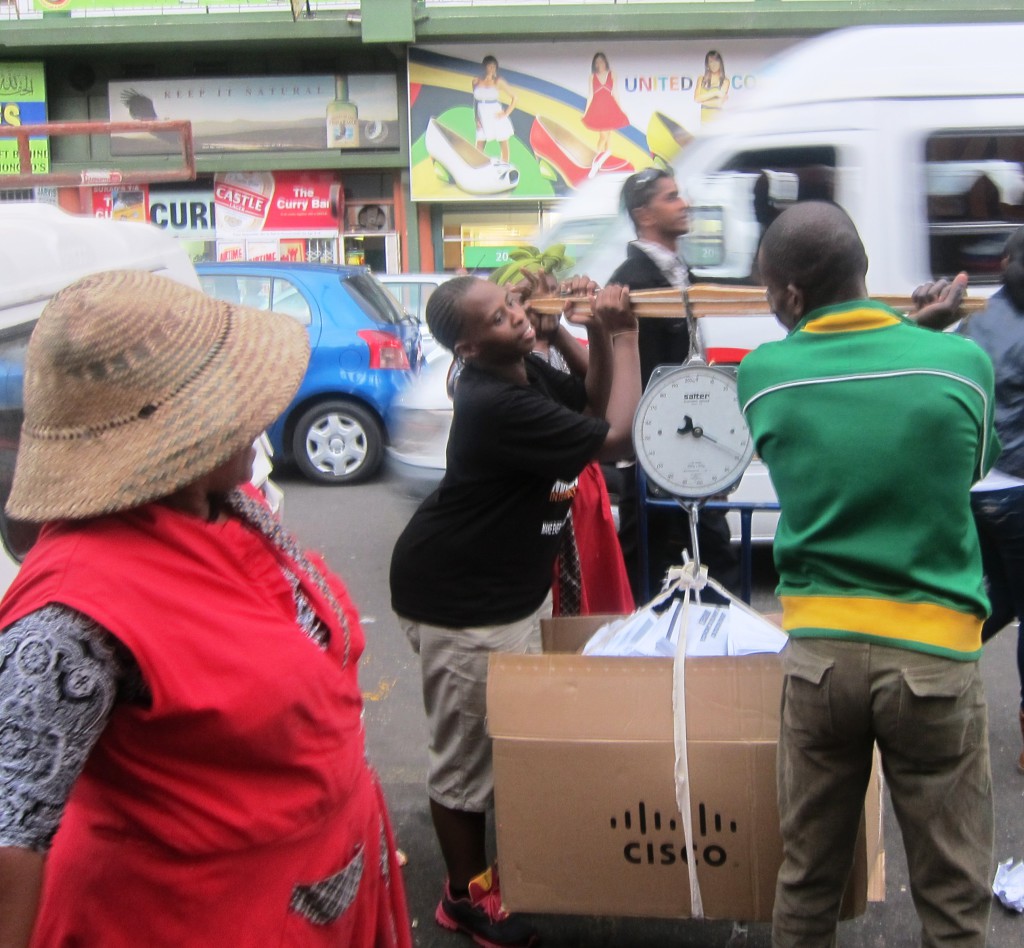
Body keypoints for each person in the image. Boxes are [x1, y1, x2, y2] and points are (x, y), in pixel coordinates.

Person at [0, 270, 411, 948]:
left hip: (317, 885)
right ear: (172, 437)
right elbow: (12, 832)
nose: (261, 414)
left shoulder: (231, 509)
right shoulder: (69, 620)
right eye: (233, 400)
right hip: (188, 917)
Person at [737, 202, 998, 947]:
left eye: (766, 291)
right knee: (953, 898)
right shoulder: (962, 363)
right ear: (864, 272)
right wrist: (923, 334)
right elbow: (970, 466)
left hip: (821, 662)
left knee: (808, 881)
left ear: (789, 297)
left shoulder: (763, 375)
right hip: (936, 660)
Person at [389, 274, 640, 948]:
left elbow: (591, 401)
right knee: (466, 761)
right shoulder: (493, 401)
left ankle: (489, 873)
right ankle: (465, 897)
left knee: (504, 740)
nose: (519, 320)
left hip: (509, 585)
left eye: (514, 306)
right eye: (502, 319)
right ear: (469, 347)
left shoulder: (522, 365)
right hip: (462, 599)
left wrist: (567, 328)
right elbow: (617, 437)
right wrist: (623, 332)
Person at [608, 167, 741, 602]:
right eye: (671, 198)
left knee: (711, 549)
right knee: (656, 563)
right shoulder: (630, 282)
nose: (684, 204)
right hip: (658, 447)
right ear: (643, 215)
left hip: (691, 440)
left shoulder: (680, 273)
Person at [511, 269, 635, 617]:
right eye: (541, 295)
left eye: (555, 291)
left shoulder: (551, 345)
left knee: (595, 577)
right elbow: (612, 429)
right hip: (558, 487)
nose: (551, 302)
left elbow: (594, 392)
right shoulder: (516, 366)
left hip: (584, 482)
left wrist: (586, 327)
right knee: (567, 575)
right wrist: (624, 334)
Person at [957, 225, 1024, 773]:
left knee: (1000, 594)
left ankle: (936, 658)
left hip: (977, 484)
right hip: (1020, 487)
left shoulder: (974, 320)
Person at [581, 52, 630, 161]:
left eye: (601, 61)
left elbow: (615, 92)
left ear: (605, 62)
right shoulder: (592, 77)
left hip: (609, 107)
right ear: (595, 64)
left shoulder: (612, 74)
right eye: (597, 62)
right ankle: (598, 158)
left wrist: (621, 109)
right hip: (598, 108)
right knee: (603, 136)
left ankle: (606, 158)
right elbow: (591, 95)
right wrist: (586, 111)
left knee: (608, 137)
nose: (600, 63)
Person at [473, 55, 517, 164]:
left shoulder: (498, 81)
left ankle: (505, 165)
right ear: (484, 67)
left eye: (494, 67)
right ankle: (477, 164)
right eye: (489, 66)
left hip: (495, 113)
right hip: (482, 114)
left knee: (503, 140)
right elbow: (475, 101)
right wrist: (476, 119)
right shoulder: (476, 81)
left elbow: (514, 97)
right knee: (480, 141)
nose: (492, 69)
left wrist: (506, 113)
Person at [693, 49, 730, 124]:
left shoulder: (725, 81)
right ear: (707, 64)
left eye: (716, 61)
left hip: (718, 120)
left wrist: (703, 101)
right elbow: (696, 98)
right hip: (704, 121)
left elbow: (719, 103)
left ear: (720, 63)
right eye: (711, 62)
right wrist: (715, 93)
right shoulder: (701, 79)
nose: (714, 65)